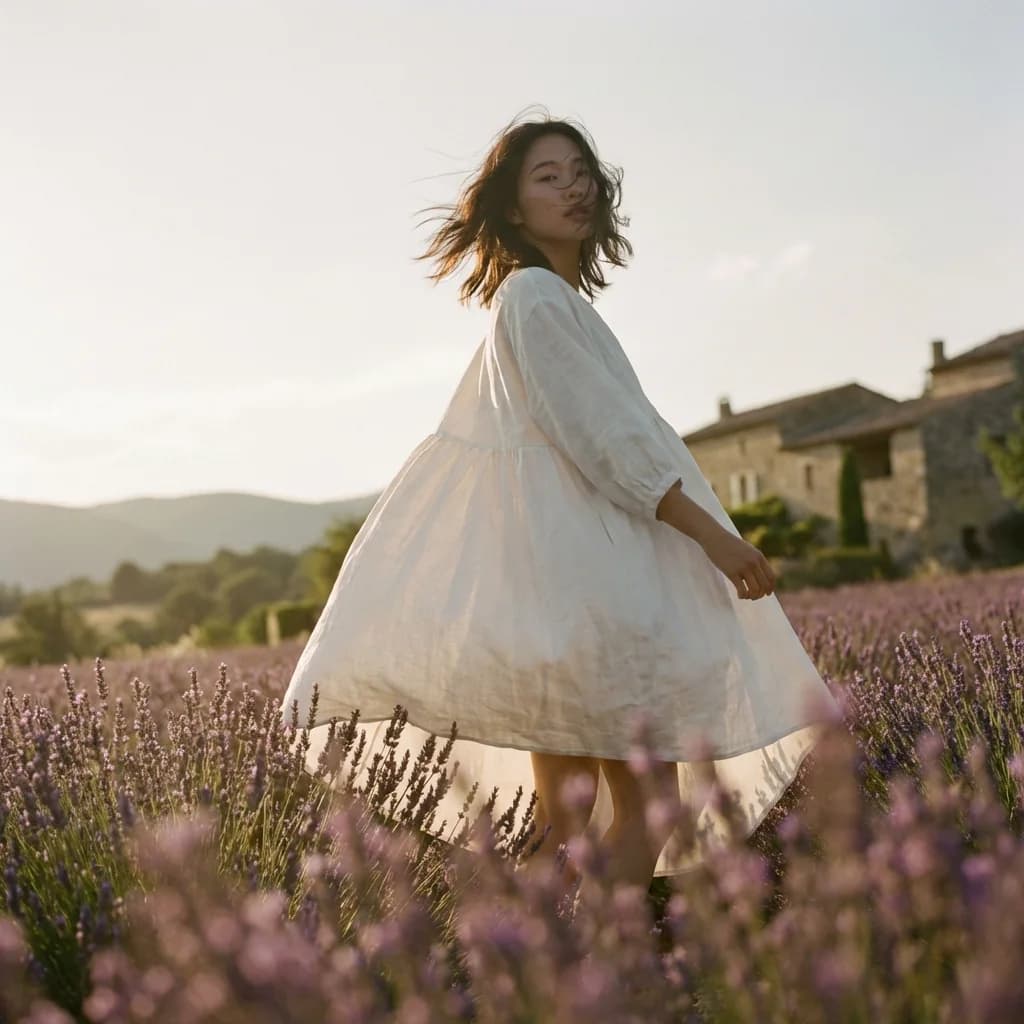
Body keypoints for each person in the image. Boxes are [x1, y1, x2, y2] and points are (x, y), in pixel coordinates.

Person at [279, 110, 840, 896]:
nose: (573, 188)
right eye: (549, 177)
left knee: (569, 817)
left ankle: (546, 969)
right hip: (585, 600)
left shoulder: (547, 302)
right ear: (513, 208)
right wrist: (716, 539)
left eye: (581, 173)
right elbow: (608, 443)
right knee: (635, 805)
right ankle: (594, 965)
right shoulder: (536, 297)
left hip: (564, 599)